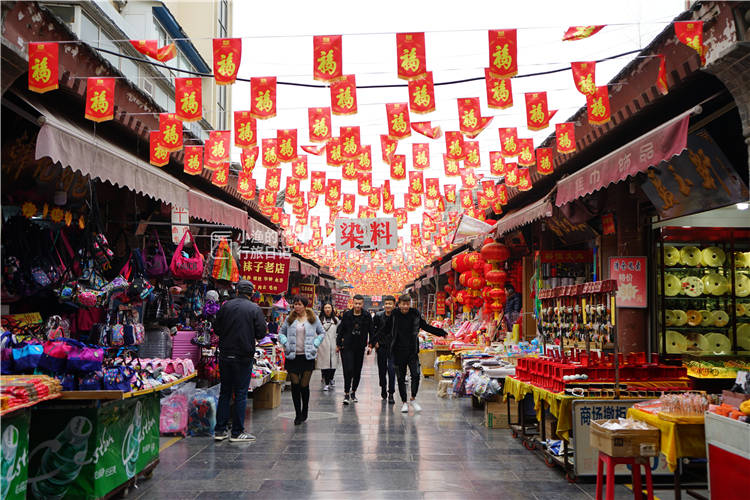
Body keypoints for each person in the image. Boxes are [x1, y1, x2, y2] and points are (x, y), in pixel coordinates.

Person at [213, 280, 267, 442]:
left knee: (225, 392)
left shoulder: (225, 306)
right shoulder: (254, 309)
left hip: (225, 354)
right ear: (251, 294)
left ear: (237, 292)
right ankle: (237, 432)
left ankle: (220, 430)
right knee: (241, 393)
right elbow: (261, 333)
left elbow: (217, 328)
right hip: (243, 356)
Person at [390, 295, 448, 414]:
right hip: (398, 351)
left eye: (407, 304)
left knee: (416, 374)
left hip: (412, 350)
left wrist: (441, 332)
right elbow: (385, 329)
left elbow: (425, 326)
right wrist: (373, 342)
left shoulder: (415, 313)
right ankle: (404, 402)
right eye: (403, 304)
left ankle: (413, 398)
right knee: (401, 378)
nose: (405, 306)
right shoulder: (394, 314)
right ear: (399, 304)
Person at [279, 296, 326, 425]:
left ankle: (305, 410)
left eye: (299, 304)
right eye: (295, 304)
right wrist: (285, 343)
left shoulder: (313, 318)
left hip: (307, 356)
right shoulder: (290, 319)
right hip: (292, 356)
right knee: (295, 384)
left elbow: (322, 333)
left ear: (305, 305)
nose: (297, 307)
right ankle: (297, 413)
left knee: (304, 385)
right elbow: (281, 333)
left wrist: (315, 344)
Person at [336, 294, 374, 405]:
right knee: (348, 369)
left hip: (360, 346)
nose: (357, 305)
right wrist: (338, 344)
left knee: (357, 370)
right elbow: (341, 330)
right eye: (356, 303)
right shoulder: (347, 315)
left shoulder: (367, 316)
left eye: (359, 303)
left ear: (362, 304)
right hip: (347, 346)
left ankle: (353, 392)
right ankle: (346, 393)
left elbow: (371, 331)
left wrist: (370, 345)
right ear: (353, 303)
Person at [371, 295, 396, 404]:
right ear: (384, 305)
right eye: (386, 304)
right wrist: (374, 342)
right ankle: (383, 387)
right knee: (382, 370)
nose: (388, 306)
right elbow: (372, 330)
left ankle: (391, 393)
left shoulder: (397, 317)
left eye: (390, 304)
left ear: (394, 305)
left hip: (394, 347)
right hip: (381, 347)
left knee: (392, 370)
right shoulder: (378, 316)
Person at [316, 302, 339, 391]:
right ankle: (326, 382)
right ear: (323, 309)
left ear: (332, 309)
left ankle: (331, 378)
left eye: (329, 307)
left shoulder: (336, 320)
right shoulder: (319, 320)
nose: (327, 309)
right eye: (326, 308)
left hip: (333, 344)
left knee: (333, 364)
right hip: (323, 345)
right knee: (324, 364)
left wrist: (338, 344)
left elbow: (338, 333)